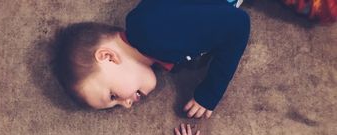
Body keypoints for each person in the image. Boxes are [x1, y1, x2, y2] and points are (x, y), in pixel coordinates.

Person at [53, 0, 250, 118]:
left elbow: (239, 25)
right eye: (117, 104)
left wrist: (211, 92)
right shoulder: (149, 37)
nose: (127, 104)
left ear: (108, 57)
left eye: (113, 96)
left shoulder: (156, 35)